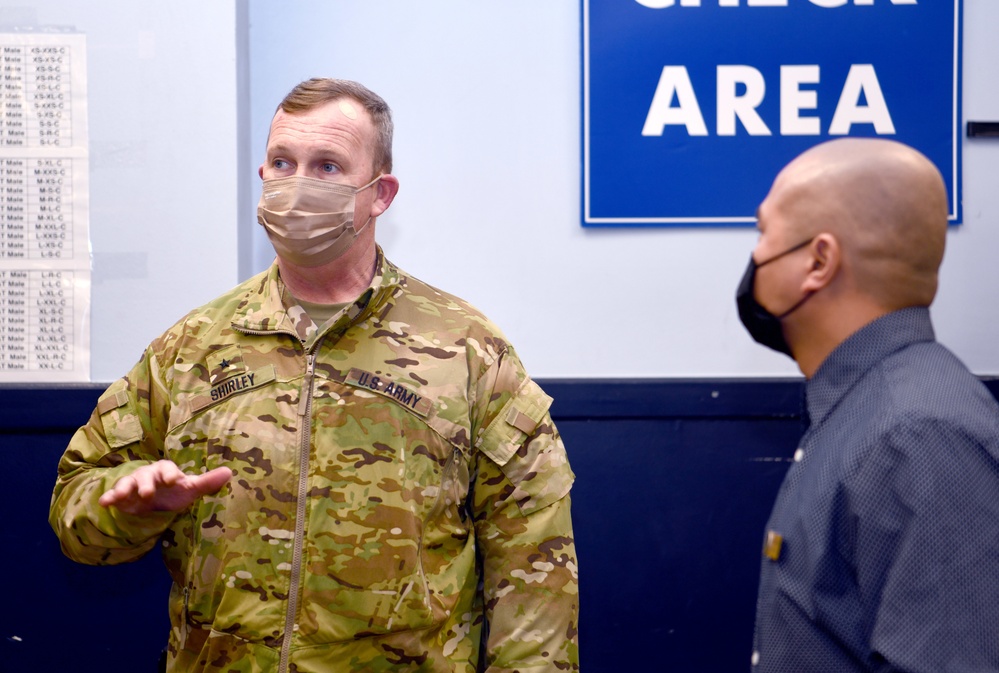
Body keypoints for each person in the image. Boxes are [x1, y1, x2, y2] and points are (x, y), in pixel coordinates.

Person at [49, 78, 578, 673]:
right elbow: (77, 511)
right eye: (283, 162)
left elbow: (535, 565)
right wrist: (129, 507)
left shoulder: (465, 351)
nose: (298, 185)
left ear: (380, 194)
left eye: (327, 166)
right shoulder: (191, 347)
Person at [736, 138, 999, 672]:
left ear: (818, 261)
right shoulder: (867, 413)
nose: (756, 256)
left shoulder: (919, 438)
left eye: (764, 233)